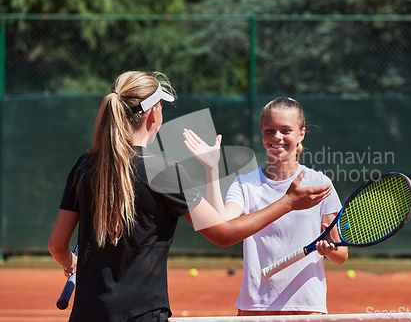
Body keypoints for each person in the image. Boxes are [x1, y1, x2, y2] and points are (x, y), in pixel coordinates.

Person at [48, 72, 332, 322]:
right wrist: (287, 203)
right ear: (153, 114)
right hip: (142, 313)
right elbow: (222, 234)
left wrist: (70, 263)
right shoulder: (163, 170)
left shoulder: (84, 164)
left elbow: (57, 245)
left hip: (85, 312)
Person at [184, 97, 348, 316]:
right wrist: (211, 169)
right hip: (255, 307)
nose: (277, 137)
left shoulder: (320, 184)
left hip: (305, 308)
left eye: (286, 130)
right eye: (269, 130)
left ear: (301, 133)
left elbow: (341, 254)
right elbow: (221, 224)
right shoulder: (245, 184)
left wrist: (330, 249)